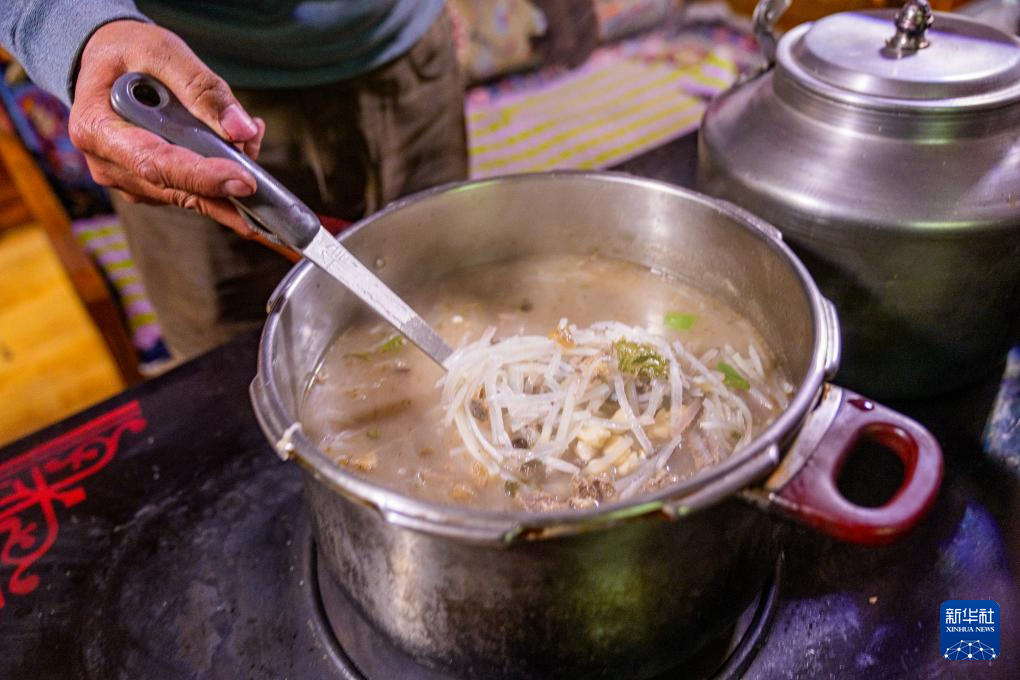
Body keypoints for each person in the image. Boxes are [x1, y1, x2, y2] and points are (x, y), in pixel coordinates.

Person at [1, 1, 468, 359]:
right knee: (231, 374)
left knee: (449, 298)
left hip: (412, 54)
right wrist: (72, 28)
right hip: (183, 109)